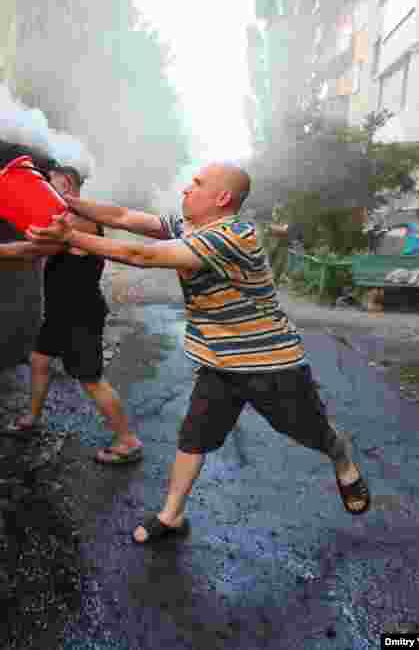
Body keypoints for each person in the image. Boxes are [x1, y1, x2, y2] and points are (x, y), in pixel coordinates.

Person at [26, 162, 371, 544]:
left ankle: (342, 460)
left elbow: (145, 257)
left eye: (198, 183)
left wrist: (72, 235)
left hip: (269, 364)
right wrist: (68, 201)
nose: (187, 187)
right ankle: (171, 516)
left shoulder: (232, 235)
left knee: (311, 432)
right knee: (194, 436)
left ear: (222, 198)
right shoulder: (190, 226)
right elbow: (124, 217)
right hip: (218, 362)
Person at [0, 165, 144, 464]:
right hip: (60, 313)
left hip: (80, 315)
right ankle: (31, 419)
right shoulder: (64, 219)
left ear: (67, 185)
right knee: (40, 360)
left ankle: (128, 441)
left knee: (90, 379)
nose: (43, 187)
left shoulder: (79, 221)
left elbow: (29, 250)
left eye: (49, 182)